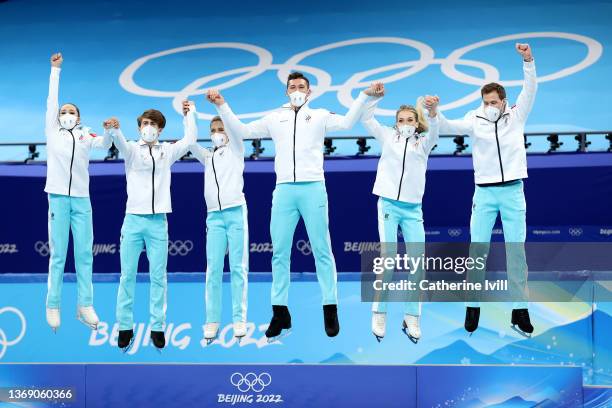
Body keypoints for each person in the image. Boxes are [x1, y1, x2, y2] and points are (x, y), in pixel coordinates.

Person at [207, 73, 377, 340]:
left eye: (301, 87)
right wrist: (221, 105)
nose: (296, 90)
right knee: (279, 253)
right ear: (286, 92)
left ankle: (330, 308)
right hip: (284, 190)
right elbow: (242, 131)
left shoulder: (320, 115)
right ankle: (280, 311)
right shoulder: (275, 118)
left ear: (309, 91)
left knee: (322, 250)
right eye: (292, 87)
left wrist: (365, 96)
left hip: (313, 188)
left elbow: (346, 123)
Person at [434, 43, 537, 336]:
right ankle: (472, 307)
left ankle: (520, 311)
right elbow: (447, 125)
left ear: (503, 101)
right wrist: (434, 111)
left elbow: (530, 89)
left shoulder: (517, 115)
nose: (489, 107)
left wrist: (527, 60)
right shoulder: (474, 118)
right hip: (484, 193)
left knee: (516, 252)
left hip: (513, 191)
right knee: (477, 251)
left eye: (493, 102)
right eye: (485, 102)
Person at [103, 100, 196, 351]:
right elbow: (119, 142)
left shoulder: (167, 152)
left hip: (158, 223)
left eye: (153, 124)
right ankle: (124, 326)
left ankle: (157, 327)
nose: (148, 127)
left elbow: (189, 141)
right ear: (139, 127)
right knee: (127, 276)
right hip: (133, 220)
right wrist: (114, 129)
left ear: (160, 129)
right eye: (145, 123)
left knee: (158, 277)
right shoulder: (132, 150)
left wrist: (190, 115)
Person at [361, 83, 439, 343]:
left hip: (413, 210)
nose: (405, 123)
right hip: (388, 206)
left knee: (418, 264)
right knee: (389, 259)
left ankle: (412, 317)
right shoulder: (388, 137)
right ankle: (379, 311)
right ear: (395, 124)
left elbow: (436, 129)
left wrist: (433, 111)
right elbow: (367, 118)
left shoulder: (424, 143)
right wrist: (374, 97)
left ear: (417, 123)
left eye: (409, 120)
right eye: (400, 120)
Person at [44, 52, 111, 332]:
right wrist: (55, 70)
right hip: (58, 197)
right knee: (59, 254)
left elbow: (105, 146)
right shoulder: (52, 131)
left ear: (79, 117)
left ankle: (85, 305)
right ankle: (53, 304)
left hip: (82, 200)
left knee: (84, 253)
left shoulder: (86, 135)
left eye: (72, 112)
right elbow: (51, 101)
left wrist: (110, 132)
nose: (66, 114)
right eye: (64, 112)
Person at [189, 106, 249, 345]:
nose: (216, 133)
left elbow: (233, 127)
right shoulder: (207, 156)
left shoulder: (237, 149)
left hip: (236, 213)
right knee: (213, 270)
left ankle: (239, 319)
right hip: (213, 217)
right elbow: (190, 140)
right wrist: (190, 114)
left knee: (238, 268)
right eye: (213, 130)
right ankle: (212, 320)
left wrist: (218, 106)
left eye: (220, 128)